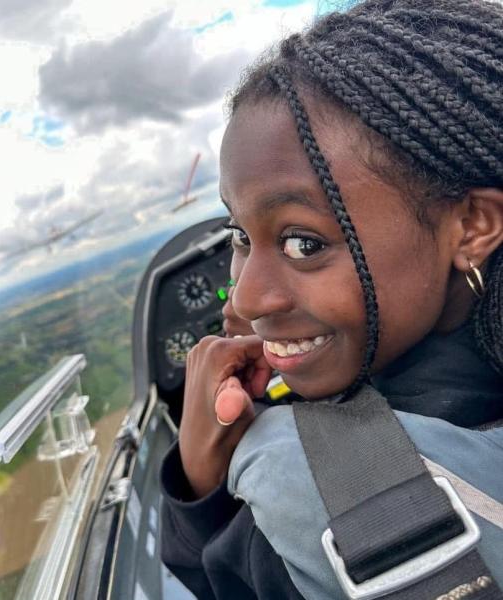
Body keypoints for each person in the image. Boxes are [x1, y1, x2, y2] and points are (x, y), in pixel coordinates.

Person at [160, 0, 503, 597]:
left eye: (304, 242)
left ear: (472, 226)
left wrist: (202, 485)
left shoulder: (313, 495)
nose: (246, 297)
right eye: (240, 236)